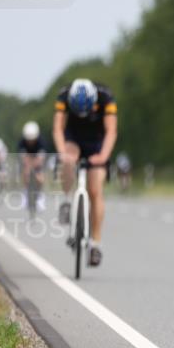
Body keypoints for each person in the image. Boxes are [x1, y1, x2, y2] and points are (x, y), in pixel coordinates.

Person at [53, 78, 118, 267]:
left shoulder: (106, 97)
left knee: (95, 191)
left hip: (96, 142)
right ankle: (66, 200)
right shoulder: (64, 96)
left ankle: (95, 244)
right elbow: (57, 128)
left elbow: (111, 131)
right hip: (74, 138)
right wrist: (62, 153)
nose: (82, 114)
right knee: (67, 160)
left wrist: (103, 157)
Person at [18, 121, 48, 212]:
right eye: (28, 139)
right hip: (27, 161)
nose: (30, 141)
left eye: (32, 139)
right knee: (26, 173)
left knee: (40, 178)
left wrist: (34, 166)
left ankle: (40, 198)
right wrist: (28, 167)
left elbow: (40, 159)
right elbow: (23, 159)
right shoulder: (22, 143)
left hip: (37, 161)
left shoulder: (41, 142)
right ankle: (26, 195)